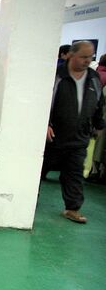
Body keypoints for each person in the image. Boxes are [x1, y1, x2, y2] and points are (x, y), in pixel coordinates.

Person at [42, 41, 104, 224]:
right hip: (53, 137)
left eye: (90, 57)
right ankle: (25, 203)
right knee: (38, 171)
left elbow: (99, 104)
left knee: (74, 173)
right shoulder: (57, 76)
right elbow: (44, 101)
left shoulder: (93, 78)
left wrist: (98, 125)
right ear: (71, 55)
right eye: (83, 56)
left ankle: (73, 208)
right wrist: (45, 123)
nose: (87, 60)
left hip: (79, 138)